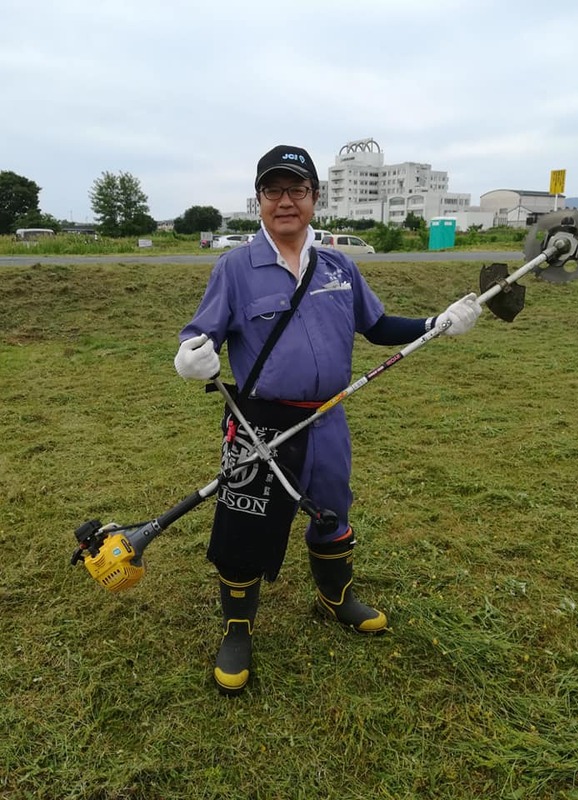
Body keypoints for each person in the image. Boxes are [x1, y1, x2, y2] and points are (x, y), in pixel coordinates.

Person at [174, 144, 481, 694]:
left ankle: (335, 598)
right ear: (259, 199)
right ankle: (238, 629)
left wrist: (436, 322)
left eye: (297, 189)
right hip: (261, 425)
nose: (285, 201)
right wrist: (190, 357)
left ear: (315, 197)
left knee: (332, 509)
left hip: (328, 418)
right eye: (273, 190)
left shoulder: (339, 265)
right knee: (245, 525)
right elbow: (200, 335)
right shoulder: (235, 268)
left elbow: (377, 326)